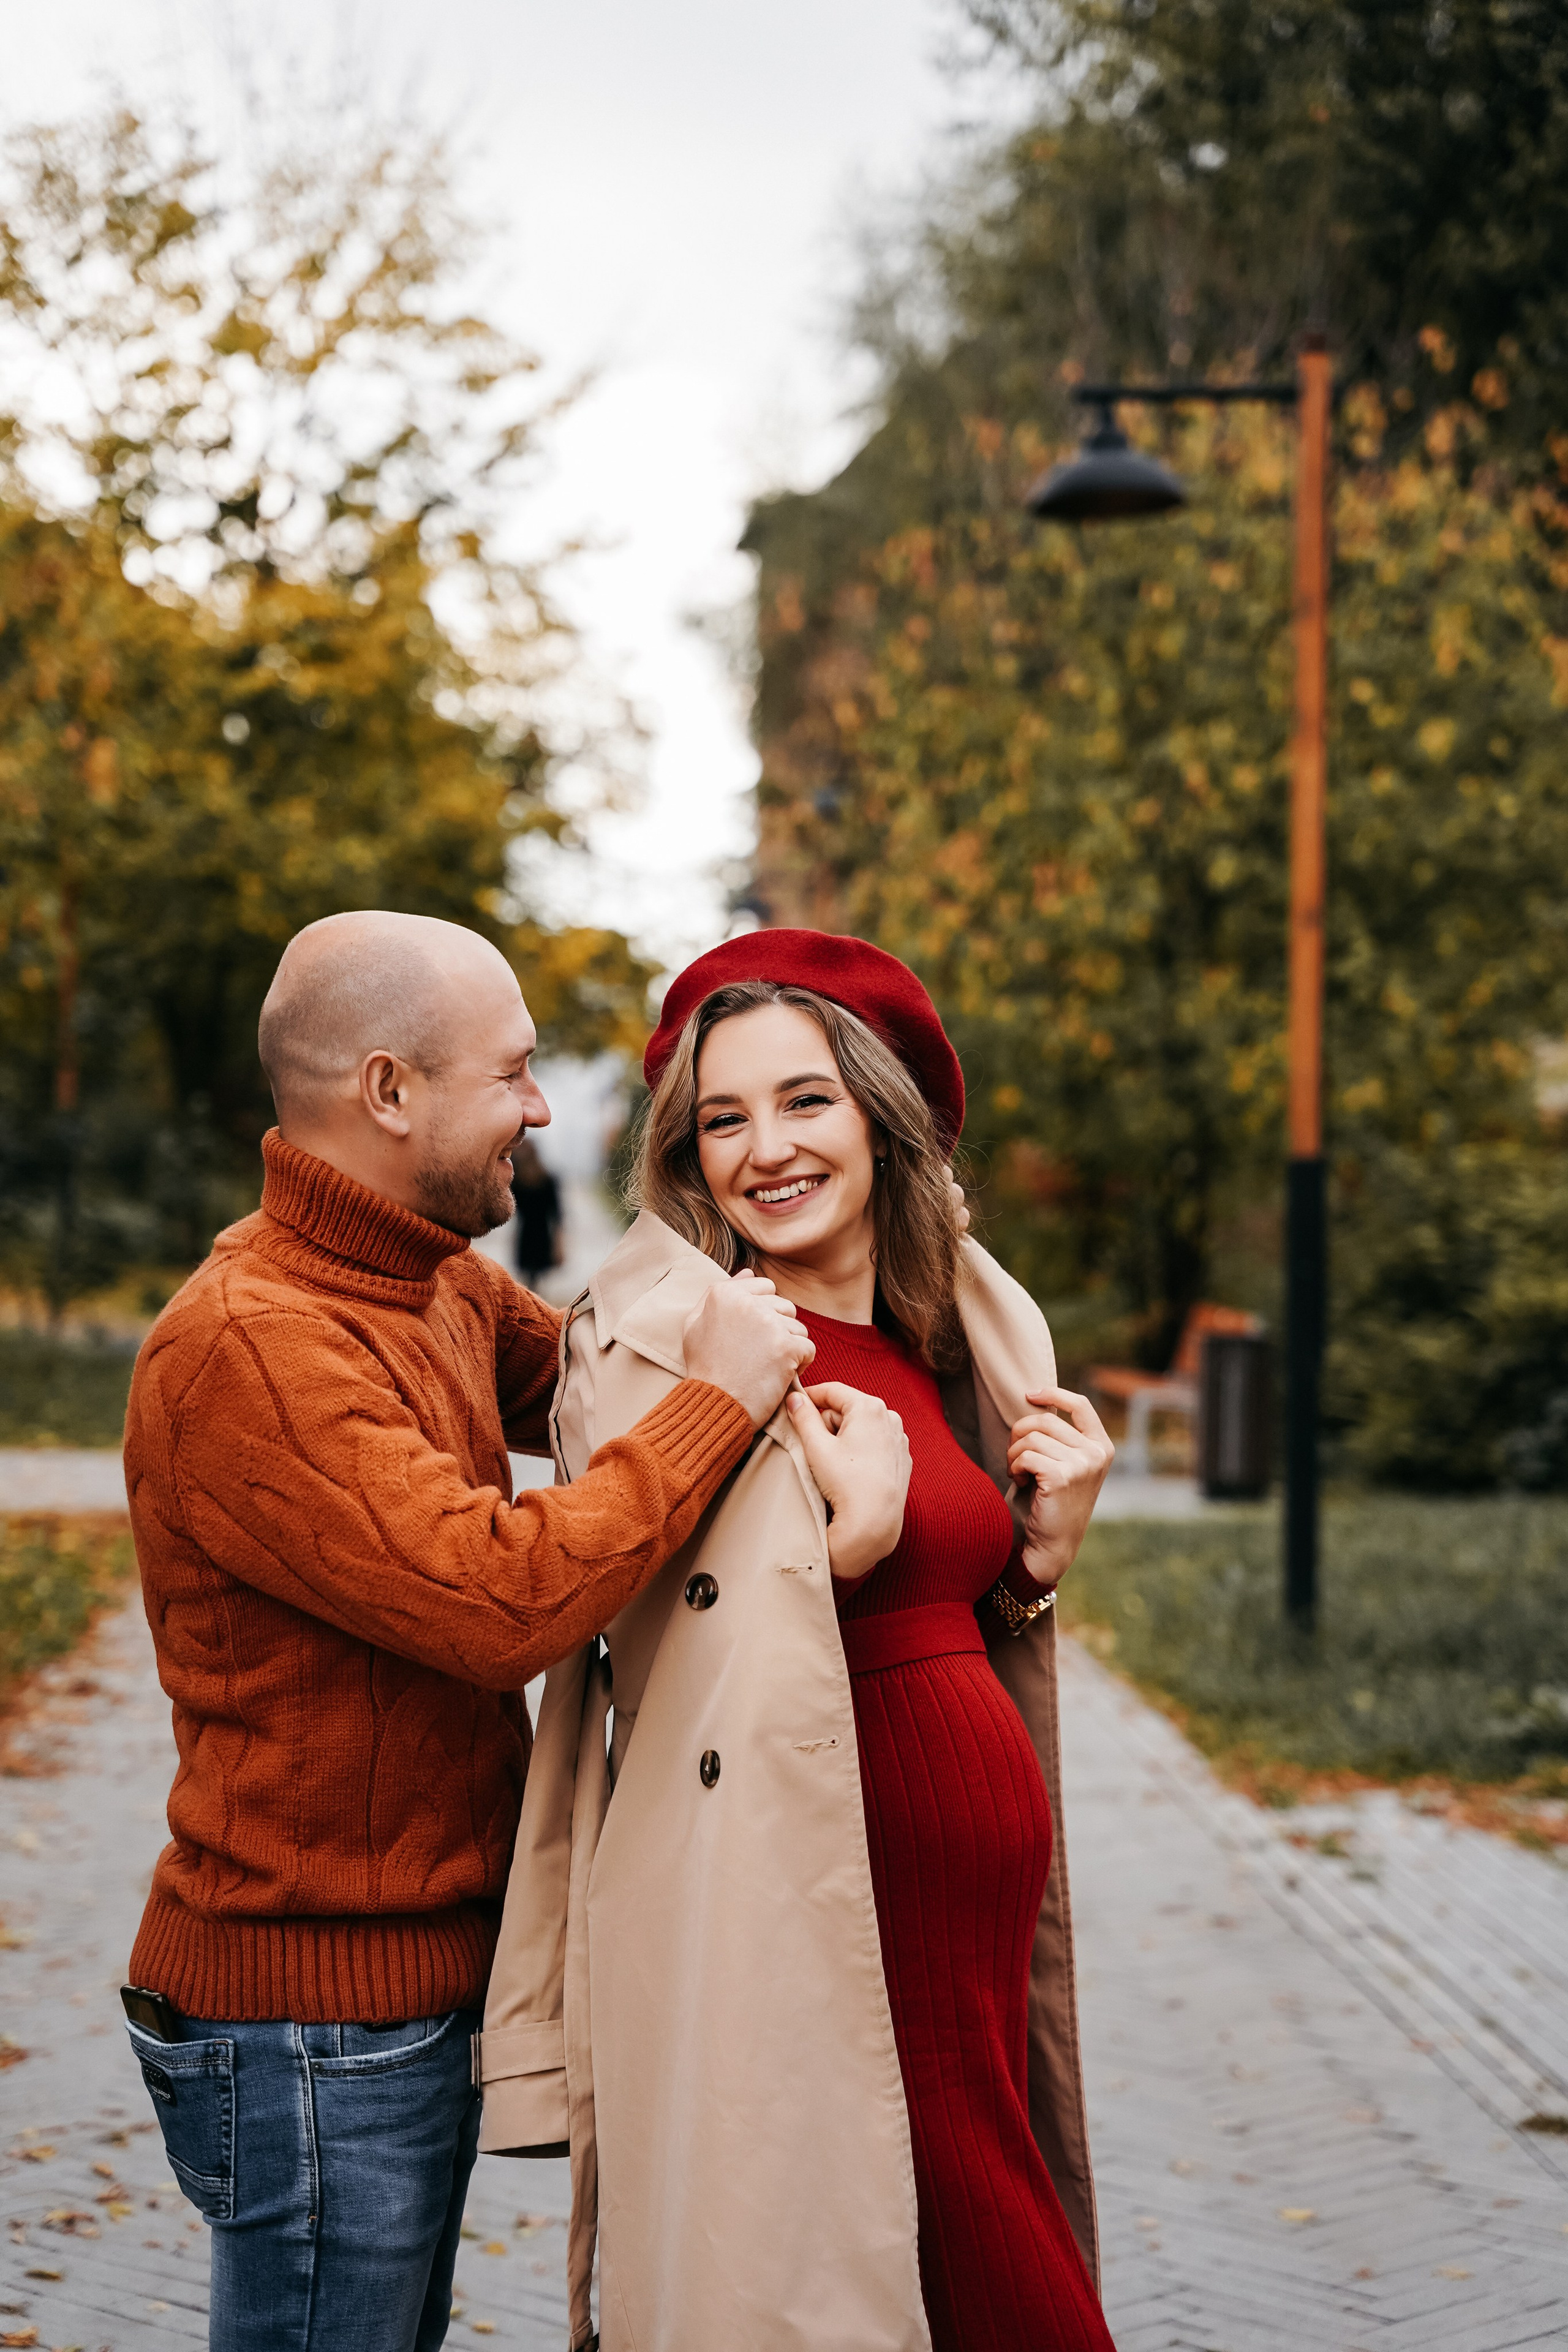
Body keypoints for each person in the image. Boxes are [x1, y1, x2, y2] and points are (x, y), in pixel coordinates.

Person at [119, 910, 901, 2352]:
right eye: (516, 1072)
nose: (542, 1110)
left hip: (394, 2000)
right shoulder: (251, 1346)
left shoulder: (430, 1281)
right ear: (389, 1090)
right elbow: (502, 1595)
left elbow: (615, 1393)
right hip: (306, 2028)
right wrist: (721, 1394)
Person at [477, 929, 1117, 2352]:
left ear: (880, 1118)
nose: (763, 1146)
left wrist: (1034, 1561)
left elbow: (942, 1609)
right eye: (721, 1116)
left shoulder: (946, 1324)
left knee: (960, 2261)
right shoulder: (665, 1340)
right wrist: (838, 1550)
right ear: (683, 1153)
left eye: (803, 1099)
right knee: (932, 2279)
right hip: (811, 1888)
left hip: (960, 1936)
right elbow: (651, 1635)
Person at [510, 1133, 564, 1285]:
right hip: (526, 1234)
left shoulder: (548, 1180)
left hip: (540, 1234)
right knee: (529, 1277)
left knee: (535, 1278)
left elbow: (557, 1214)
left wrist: (559, 1242)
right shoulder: (517, 1180)